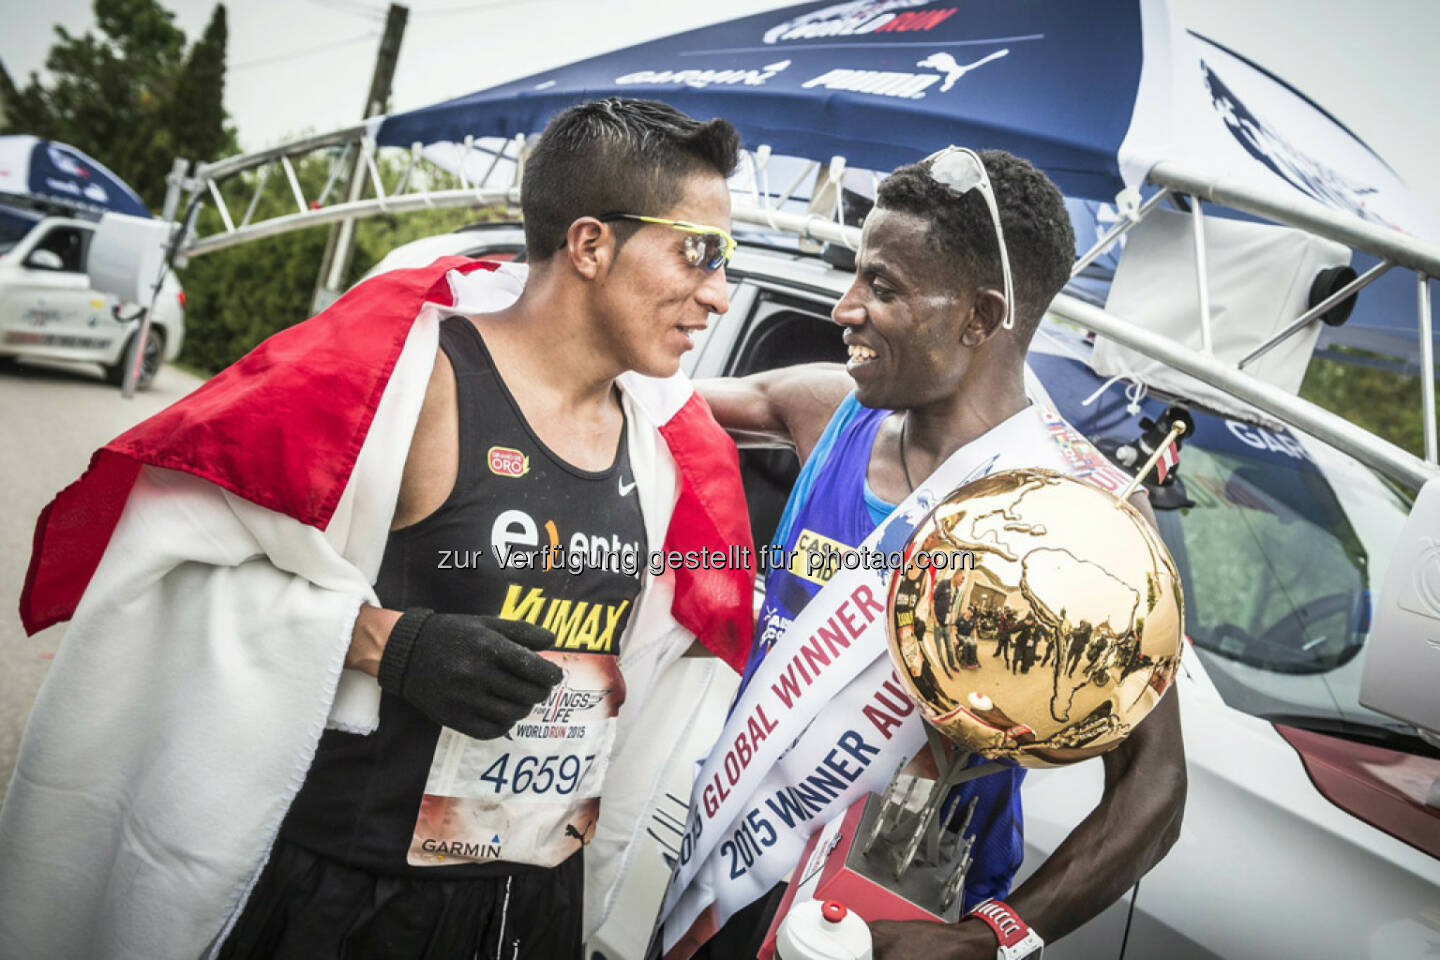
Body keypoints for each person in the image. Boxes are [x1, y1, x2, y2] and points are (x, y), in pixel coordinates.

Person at [1, 98, 754, 960]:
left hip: (529, 903)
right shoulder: (400, 389)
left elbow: (661, 664)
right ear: (589, 244)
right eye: (700, 251)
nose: (719, 293)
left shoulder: (666, 458)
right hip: (349, 904)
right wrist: (382, 644)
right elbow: (168, 580)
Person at [696, 148, 1186, 958]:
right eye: (857, 276)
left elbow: (1155, 790)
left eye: (881, 286)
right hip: (721, 871)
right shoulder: (827, 412)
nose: (844, 307)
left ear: (981, 317)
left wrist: (988, 939)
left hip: (903, 927)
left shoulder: (1088, 513)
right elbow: (624, 398)